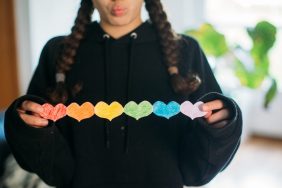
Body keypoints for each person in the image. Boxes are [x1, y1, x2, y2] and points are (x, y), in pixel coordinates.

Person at [4, 0, 242, 187]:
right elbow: (51, 166)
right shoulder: (57, 52)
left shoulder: (186, 51)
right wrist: (29, 126)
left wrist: (220, 125)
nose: (117, 0)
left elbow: (197, 171)